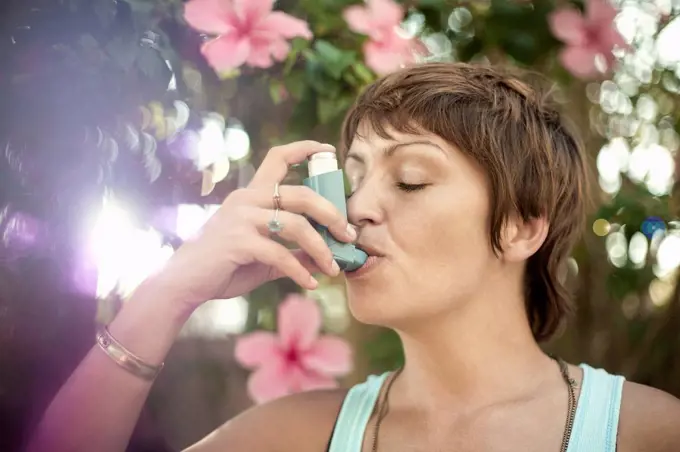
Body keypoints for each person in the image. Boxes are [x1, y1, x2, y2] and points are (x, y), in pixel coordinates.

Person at [27, 63, 680, 452]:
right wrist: (170, 292)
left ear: (519, 227)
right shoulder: (292, 437)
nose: (357, 207)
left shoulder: (652, 435)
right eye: (353, 177)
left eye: (411, 180)